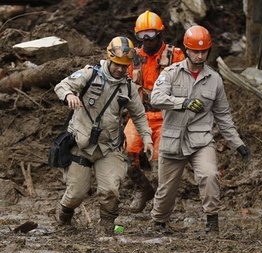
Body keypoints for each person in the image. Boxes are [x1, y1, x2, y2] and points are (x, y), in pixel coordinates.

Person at [150, 25, 250, 234]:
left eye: (204, 51)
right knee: (166, 188)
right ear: (186, 49)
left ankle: (212, 222)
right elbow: (156, 99)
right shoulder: (171, 73)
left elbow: (223, 116)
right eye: (195, 51)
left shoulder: (214, 80)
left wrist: (237, 144)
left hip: (201, 140)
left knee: (209, 175)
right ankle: (159, 222)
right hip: (173, 139)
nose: (199, 55)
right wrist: (182, 102)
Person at [54, 36, 153, 234]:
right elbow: (62, 86)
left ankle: (107, 228)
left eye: (125, 66)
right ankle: (63, 219)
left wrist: (148, 139)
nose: (120, 69)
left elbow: (140, 115)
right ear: (108, 58)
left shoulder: (128, 88)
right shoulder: (89, 74)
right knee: (75, 194)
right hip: (81, 145)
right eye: (117, 64)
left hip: (109, 146)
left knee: (110, 190)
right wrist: (69, 95)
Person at [124, 10, 185, 213]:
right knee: (125, 153)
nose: (147, 39)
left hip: (166, 116)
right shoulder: (132, 58)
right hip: (139, 115)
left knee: (162, 163)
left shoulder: (175, 55)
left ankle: (161, 207)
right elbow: (122, 87)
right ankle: (143, 189)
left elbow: (186, 86)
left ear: (160, 33)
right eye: (142, 35)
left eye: (151, 34)